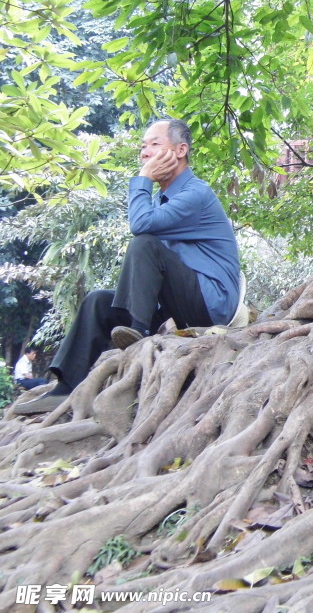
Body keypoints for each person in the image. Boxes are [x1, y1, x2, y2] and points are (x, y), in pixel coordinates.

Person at [14, 119, 241, 415]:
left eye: (155, 144)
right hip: (176, 304)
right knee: (98, 301)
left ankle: (137, 332)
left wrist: (143, 178)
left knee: (144, 243)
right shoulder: (163, 200)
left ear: (181, 150)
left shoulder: (195, 194)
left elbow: (140, 226)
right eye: (143, 146)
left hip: (211, 304)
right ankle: (65, 388)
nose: (145, 153)